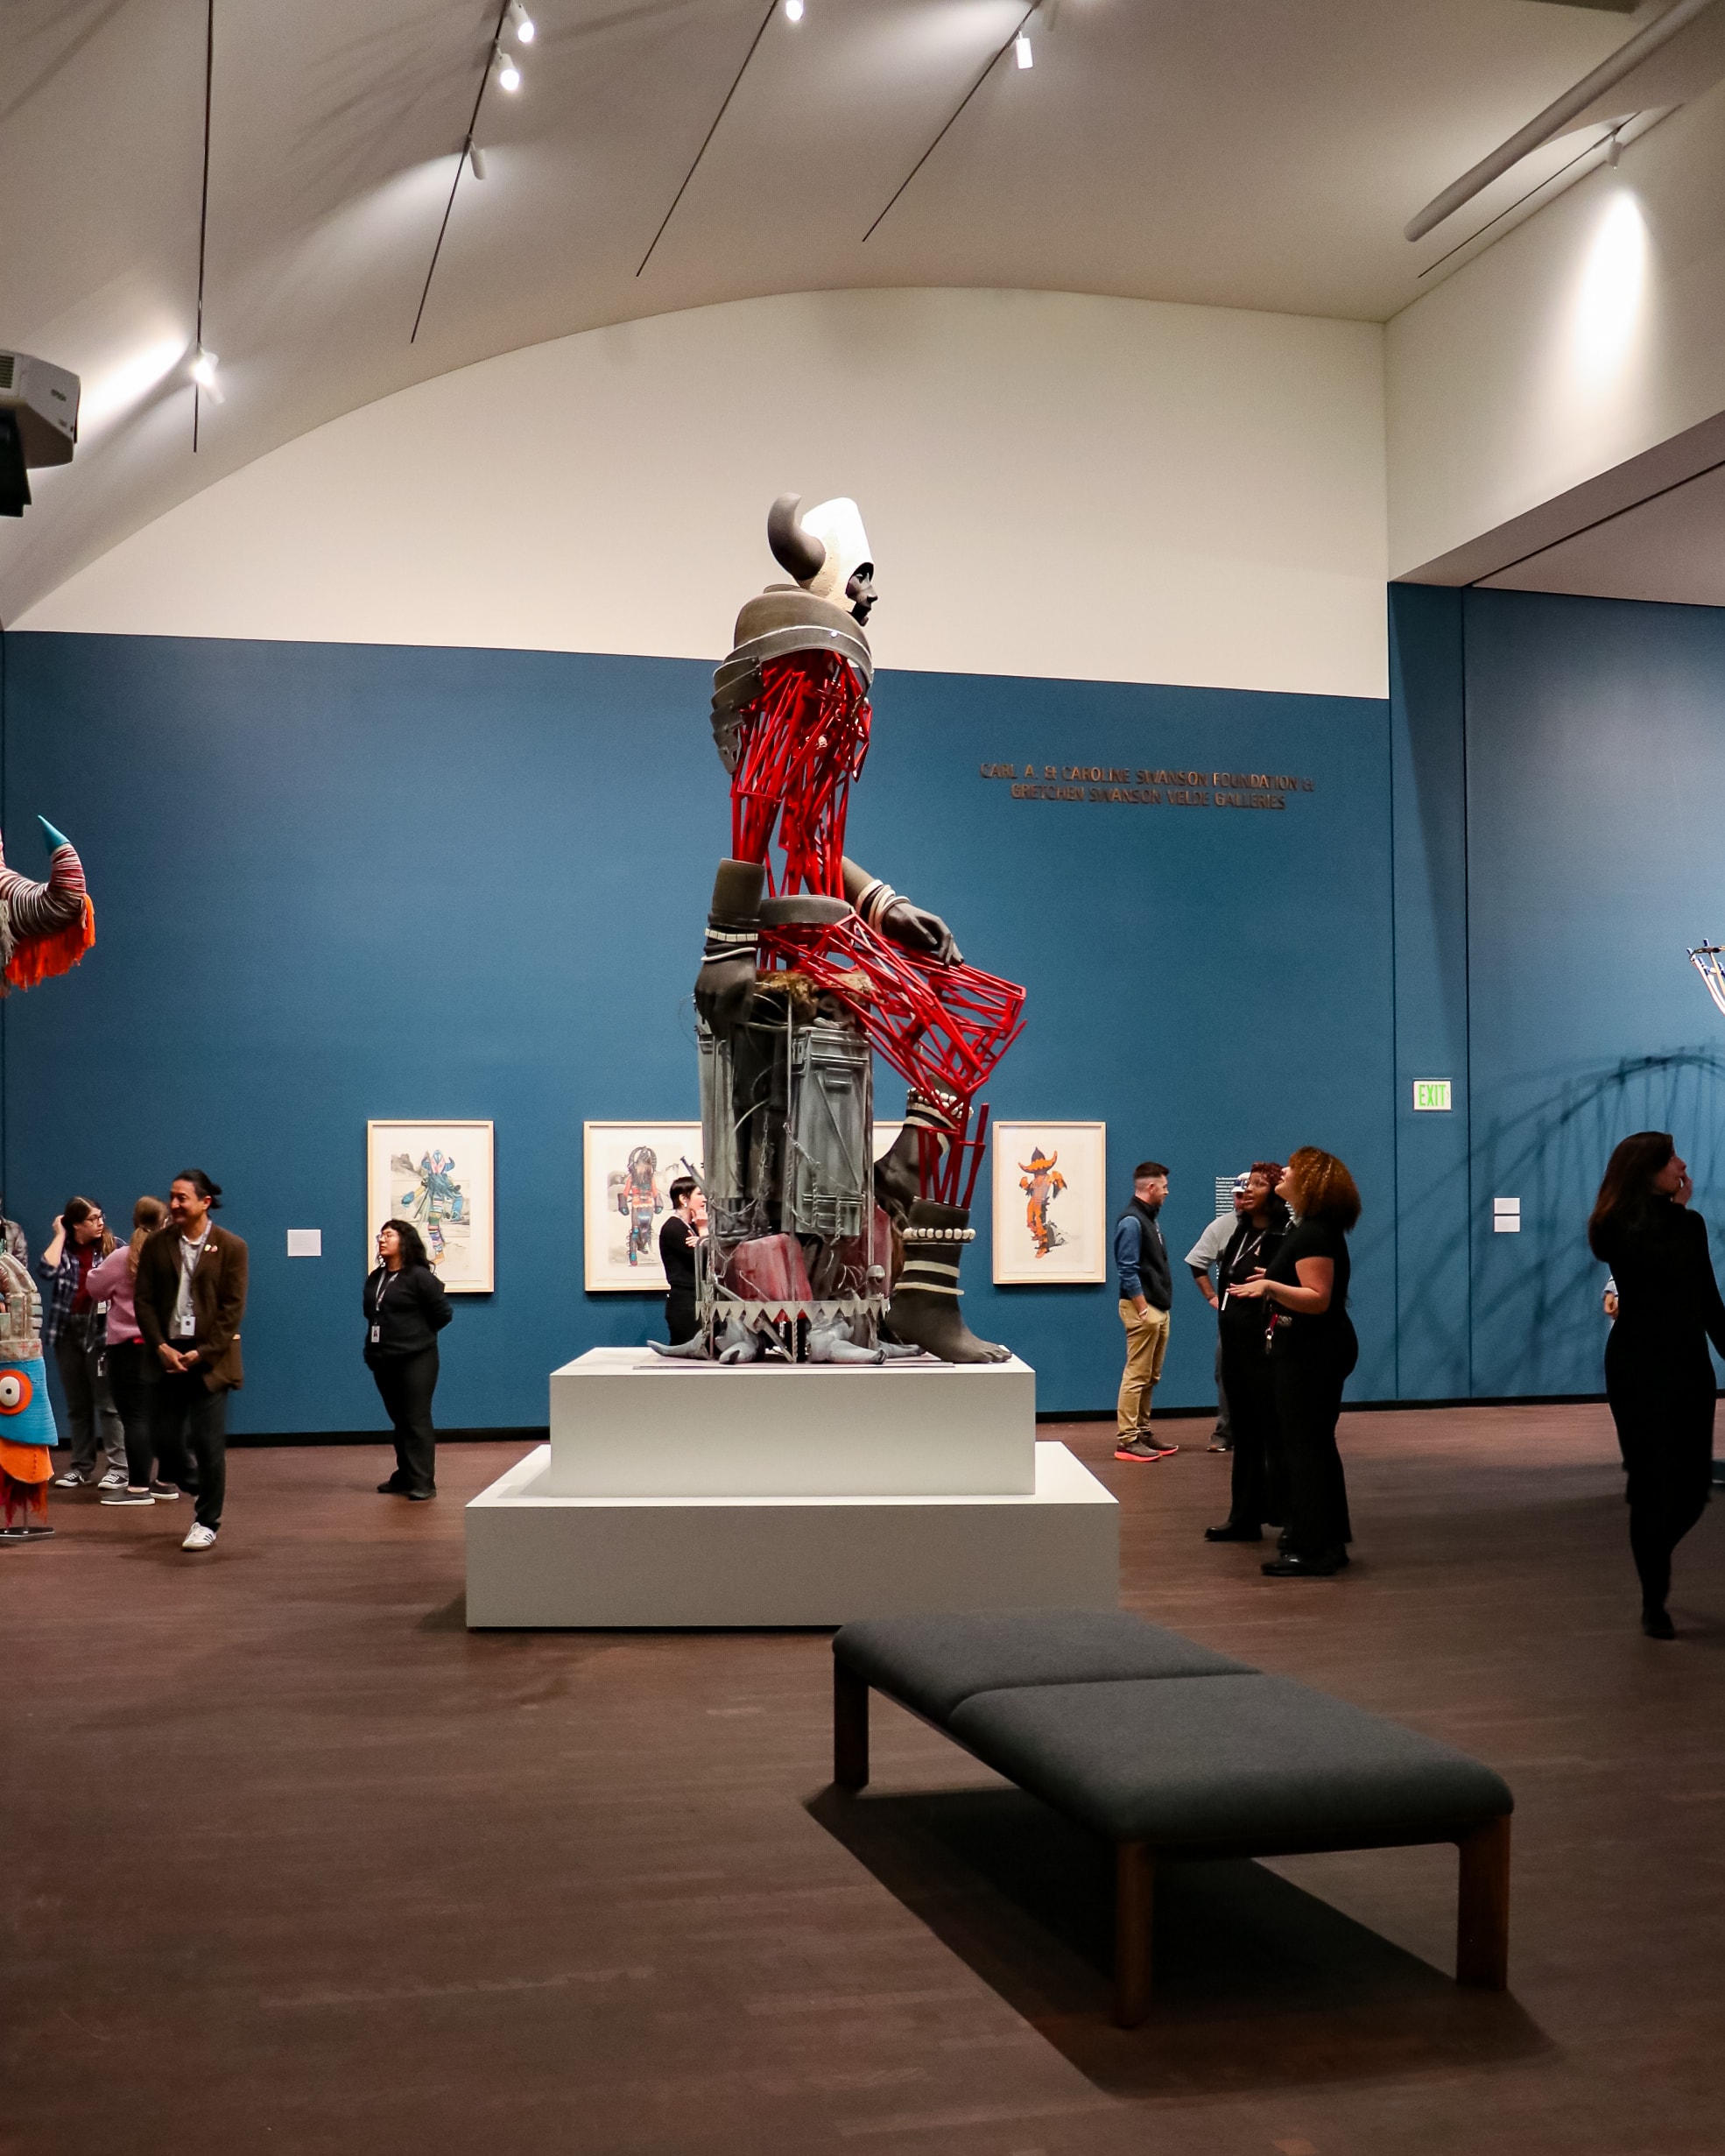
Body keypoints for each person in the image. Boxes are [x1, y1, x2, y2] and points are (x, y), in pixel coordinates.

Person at [1588, 1131, 1725, 1639]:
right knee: (1649, 1486)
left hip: (1690, 1365)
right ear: (1646, 1170)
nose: (1682, 1165)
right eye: (1671, 1159)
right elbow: (1653, 1261)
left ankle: (1653, 1553)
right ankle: (1654, 1600)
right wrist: (1677, 1211)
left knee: (1691, 1491)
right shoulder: (1617, 1226)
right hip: (1638, 1367)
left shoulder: (1687, 1224)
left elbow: (1708, 1299)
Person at [1228, 1146, 1360, 1576]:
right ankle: (1325, 1542)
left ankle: (1312, 1546)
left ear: (1309, 1183)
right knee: (1315, 1448)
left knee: (1305, 1449)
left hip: (1311, 1353)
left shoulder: (1313, 1234)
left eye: (1292, 1168)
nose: (1283, 1171)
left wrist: (1268, 1288)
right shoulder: (1313, 1230)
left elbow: (1318, 1299)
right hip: (1312, 1351)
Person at [135, 1172, 248, 1553]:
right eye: (172, 1197)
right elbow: (144, 1300)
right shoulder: (157, 1244)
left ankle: (206, 1520)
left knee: (207, 1441)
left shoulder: (231, 1247)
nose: (175, 1204)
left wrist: (206, 1350)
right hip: (167, 1356)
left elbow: (233, 1309)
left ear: (205, 1202)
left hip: (210, 1359)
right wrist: (159, 1346)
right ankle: (196, 1482)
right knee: (162, 1438)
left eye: (183, 1197)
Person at [1203, 1163, 1293, 1544]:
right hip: (1236, 1348)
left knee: (1275, 1434)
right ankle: (1244, 1517)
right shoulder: (1240, 1232)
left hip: (1267, 1350)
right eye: (1248, 1184)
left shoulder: (1285, 1237)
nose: (1249, 1190)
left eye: (1260, 1185)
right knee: (1245, 1435)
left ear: (1275, 1193)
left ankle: (1290, 1518)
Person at [88, 1197, 173, 1505]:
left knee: (135, 1417)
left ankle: (137, 1488)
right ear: (165, 1222)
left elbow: (94, 1287)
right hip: (166, 1348)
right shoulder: (173, 1255)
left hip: (129, 1349)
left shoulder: (122, 1257)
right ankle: (166, 1482)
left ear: (135, 1220)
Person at [39, 1197, 127, 1491]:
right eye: (92, 1218)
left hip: (101, 1333)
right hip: (67, 1332)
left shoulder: (114, 1246)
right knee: (77, 1404)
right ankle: (81, 1467)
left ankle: (118, 1468)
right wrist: (59, 1234)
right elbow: (46, 1270)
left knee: (108, 1403)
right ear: (77, 1224)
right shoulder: (63, 1249)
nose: (100, 1222)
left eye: (101, 1216)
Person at [366, 1220, 452, 1500]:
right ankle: (404, 1475)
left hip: (417, 1358)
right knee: (400, 1419)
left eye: (389, 1235)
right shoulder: (376, 1277)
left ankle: (424, 1481)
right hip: (384, 1359)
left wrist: (417, 1337)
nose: (382, 1239)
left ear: (404, 1241)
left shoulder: (419, 1277)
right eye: (381, 1235)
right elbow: (372, 1314)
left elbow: (443, 1314)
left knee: (416, 1418)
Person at [1114, 1161, 1175, 1463]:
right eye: (1163, 1187)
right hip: (1144, 1308)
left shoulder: (1149, 1219)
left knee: (1151, 1375)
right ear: (1150, 1187)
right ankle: (1127, 1440)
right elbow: (1127, 1270)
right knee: (1137, 1375)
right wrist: (1142, 1309)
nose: (1167, 1191)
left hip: (1157, 1307)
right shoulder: (1132, 1222)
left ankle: (1142, 1431)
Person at [1186, 1173, 1252, 1452]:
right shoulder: (1222, 1227)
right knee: (1226, 1371)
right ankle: (1225, 1432)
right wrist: (1212, 1296)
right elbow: (1197, 1263)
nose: (1241, 1201)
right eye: (1237, 1196)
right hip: (1234, 1317)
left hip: (1271, 1315)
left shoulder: (1280, 1227)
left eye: (1247, 1196)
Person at [658, 1178, 706, 1346]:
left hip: (697, 1301)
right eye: (699, 1194)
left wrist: (701, 1237)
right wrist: (704, 1233)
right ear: (683, 1199)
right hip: (686, 1305)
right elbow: (703, 1260)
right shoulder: (674, 1228)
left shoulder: (690, 1228)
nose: (705, 1199)